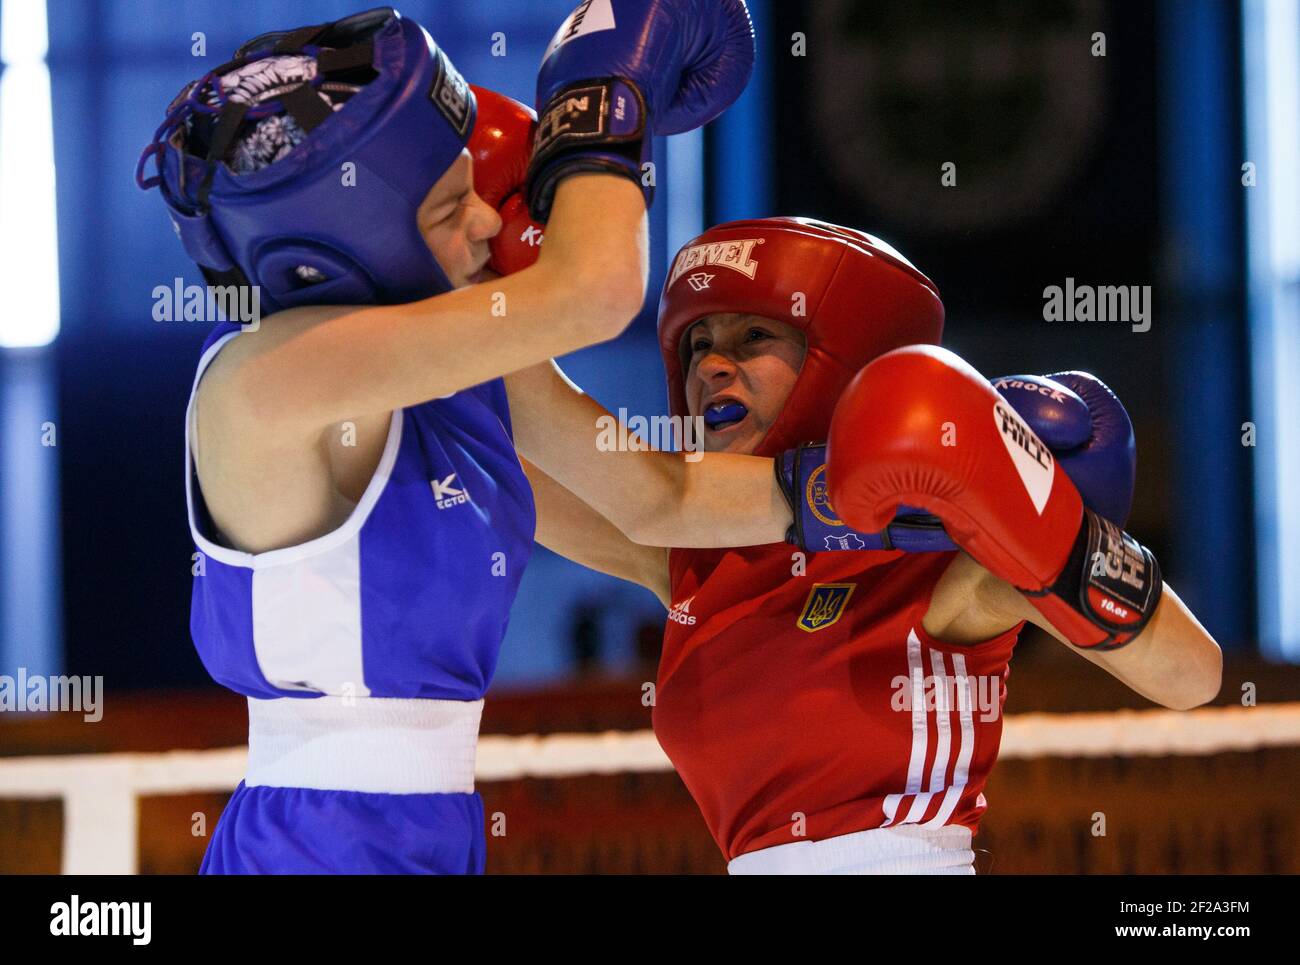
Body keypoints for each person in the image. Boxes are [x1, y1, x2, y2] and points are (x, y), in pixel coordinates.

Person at [135, 2, 756, 874]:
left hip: (433, 834)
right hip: (314, 850)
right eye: (451, 205)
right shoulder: (263, 383)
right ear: (347, 245)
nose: (493, 224)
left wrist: (878, 507)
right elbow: (596, 291)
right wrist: (599, 105)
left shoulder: (456, 369)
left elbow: (661, 501)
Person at [500, 217, 1222, 874]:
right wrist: (466, 297)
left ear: (839, 358)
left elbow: (1193, 676)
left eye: (753, 337)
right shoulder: (689, 557)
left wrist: (1049, 525)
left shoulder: (934, 559)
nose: (713, 366)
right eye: (699, 342)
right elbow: (510, 464)